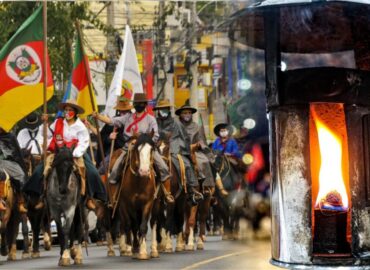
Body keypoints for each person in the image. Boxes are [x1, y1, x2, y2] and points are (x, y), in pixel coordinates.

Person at [23, 100, 107, 210]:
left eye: (70, 110)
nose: (67, 112)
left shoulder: (80, 126)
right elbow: (47, 134)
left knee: (92, 171)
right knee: (40, 170)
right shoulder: (58, 122)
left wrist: (73, 154)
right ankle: (40, 197)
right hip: (58, 153)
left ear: (75, 112)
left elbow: (84, 142)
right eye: (66, 110)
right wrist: (45, 123)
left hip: (76, 153)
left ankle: (90, 198)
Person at [93, 93, 174, 204]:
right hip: (129, 148)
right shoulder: (127, 117)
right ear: (134, 105)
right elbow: (112, 121)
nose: (139, 105)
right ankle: (113, 196)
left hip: (147, 148)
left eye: (141, 103)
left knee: (163, 167)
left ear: (145, 105)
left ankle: (167, 194)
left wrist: (145, 143)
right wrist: (98, 116)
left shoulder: (151, 119)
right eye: (137, 103)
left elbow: (155, 136)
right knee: (115, 170)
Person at [154, 99, 203, 204]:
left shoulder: (176, 122)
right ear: (158, 111)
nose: (163, 111)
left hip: (174, 149)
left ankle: (191, 191)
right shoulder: (155, 122)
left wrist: (183, 150)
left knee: (187, 165)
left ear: (168, 110)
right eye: (161, 109)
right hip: (157, 149)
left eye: (165, 109)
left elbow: (185, 138)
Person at [175, 104, 215, 195]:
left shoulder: (196, 126)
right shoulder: (176, 126)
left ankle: (205, 186)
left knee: (204, 161)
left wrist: (198, 145)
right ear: (180, 115)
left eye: (189, 113)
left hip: (194, 151)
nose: (187, 115)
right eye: (184, 113)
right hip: (179, 151)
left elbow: (200, 139)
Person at [0, 127, 28, 213]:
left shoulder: (11, 137)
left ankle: (20, 202)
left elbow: (16, 153)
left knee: (21, 175)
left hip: (9, 162)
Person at [212, 123, 242, 196]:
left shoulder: (232, 141)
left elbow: (236, 150)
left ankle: (239, 180)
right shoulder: (217, 141)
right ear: (219, 133)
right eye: (221, 131)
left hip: (230, 158)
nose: (223, 132)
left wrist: (230, 154)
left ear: (228, 131)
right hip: (219, 159)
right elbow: (213, 150)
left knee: (236, 165)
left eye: (224, 130)